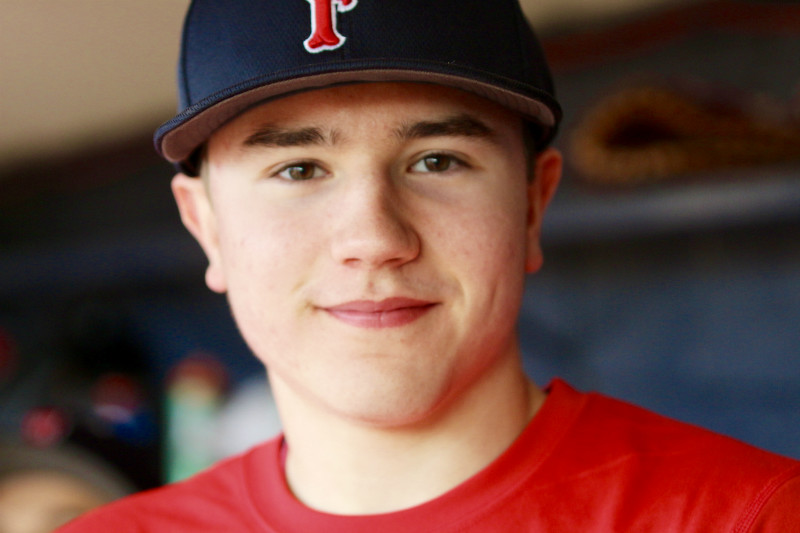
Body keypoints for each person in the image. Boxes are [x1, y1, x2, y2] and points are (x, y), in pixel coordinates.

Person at [59, 0, 800, 531]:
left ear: (533, 206)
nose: (374, 237)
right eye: (298, 169)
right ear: (207, 227)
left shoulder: (750, 515)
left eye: (437, 160)